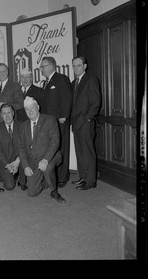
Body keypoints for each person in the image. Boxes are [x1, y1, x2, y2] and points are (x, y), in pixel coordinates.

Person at [18, 96, 65, 203]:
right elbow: (20, 148)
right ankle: (45, 179)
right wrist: (25, 166)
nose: (30, 111)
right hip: (34, 160)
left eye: (32, 108)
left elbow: (55, 142)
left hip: (50, 156)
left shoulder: (50, 120)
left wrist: (45, 159)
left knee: (47, 168)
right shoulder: (23, 126)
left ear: (38, 107)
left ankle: (54, 191)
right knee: (32, 193)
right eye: (27, 109)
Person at [39, 56, 73, 188]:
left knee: (62, 147)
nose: (41, 69)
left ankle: (62, 177)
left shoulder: (61, 79)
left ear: (51, 66)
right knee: (52, 148)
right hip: (48, 123)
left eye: (43, 66)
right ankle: (53, 175)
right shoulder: (45, 82)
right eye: (41, 67)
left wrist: (64, 116)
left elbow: (67, 98)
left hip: (60, 121)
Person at [71, 56, 101, 190]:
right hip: (76, 123)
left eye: (78, 65)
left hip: (86, 123)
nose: (76, 68)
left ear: (85, 66)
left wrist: (87, 118)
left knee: (88, 151)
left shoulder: (91, 79)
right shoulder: (74, 83)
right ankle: (83, 177)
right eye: (74, 66)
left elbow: (95, 102)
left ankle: (90, 181)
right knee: (80, 151)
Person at [0, 103, 26, 191]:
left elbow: (26, 146)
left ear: (13, 113)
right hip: (6, 163)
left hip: (20, 159)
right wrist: (7, 165)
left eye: (9, 113)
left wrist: (17, 162)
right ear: (1, 115)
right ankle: (9, 175)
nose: (7, 116)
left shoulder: (22, 126)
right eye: (4, 113)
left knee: (27, 183)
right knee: (9, 187)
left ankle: (21, 178)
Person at [0, 63, 23, 128]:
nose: (2, 74)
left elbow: (20, 104)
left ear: (7, 72)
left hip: (9, 122)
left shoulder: (15, 86)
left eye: (4, 71)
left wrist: (5, 105)